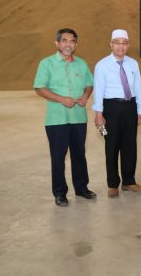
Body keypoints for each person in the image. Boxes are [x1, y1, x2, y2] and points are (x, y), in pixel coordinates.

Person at [33, 28, 95, 206]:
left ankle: (82, 189)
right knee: (58, 157)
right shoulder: (47, 63)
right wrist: (61, 99)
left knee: (79, 154)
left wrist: (85, 96)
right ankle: (60, 193)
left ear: (76, 44)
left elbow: (89, 84)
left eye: (72, 41)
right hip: (56, 119)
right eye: (65, 41)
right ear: (57, 43)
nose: (69, 44)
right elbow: (39, 88)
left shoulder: (81, 64)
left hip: (78, 118)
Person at [93, 29, 141, 198]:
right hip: (111, 108)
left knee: (130, 146)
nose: (120, 46)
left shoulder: (133, 64)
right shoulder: (102, 65)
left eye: (124, 43)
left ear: (128, 45)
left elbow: (138, 87)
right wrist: (98, 113)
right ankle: (113, 184)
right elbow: (98, 90)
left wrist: (140, 110)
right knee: (112, 146)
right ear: (111, 44)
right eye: (117, 43)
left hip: (130, 106)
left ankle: (129, 181)